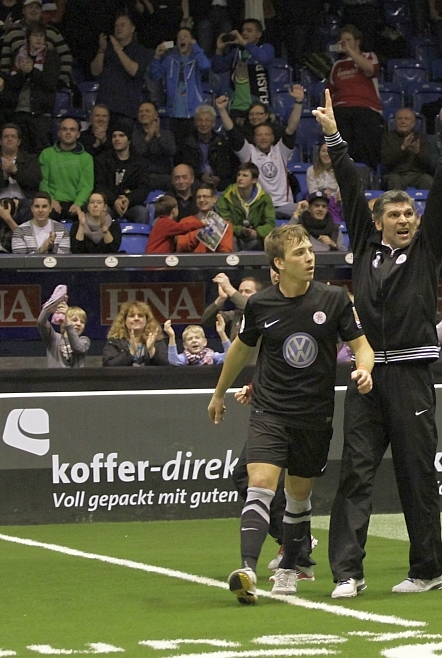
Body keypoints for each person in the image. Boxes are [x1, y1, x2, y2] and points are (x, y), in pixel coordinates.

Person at [317, 89, 442, 597]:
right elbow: (348, 184)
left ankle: (428, 570)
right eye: (396, 215)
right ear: (378, 220)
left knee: (415, 476)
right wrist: (333, 137)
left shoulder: (425, 249)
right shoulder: (365, 246)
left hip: (410, 376)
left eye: (410, 214)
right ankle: (348, 573)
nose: (405, 220)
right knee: (355, 474)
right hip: (366, 376)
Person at [208, 224, 375, 604]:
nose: (310, 257)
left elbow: (362, 346)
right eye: (300, 253)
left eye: (310, 251)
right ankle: (247, 570)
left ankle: (289, 568)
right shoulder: (260, 304)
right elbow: (240, 350)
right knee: (260, 482)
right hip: (270, 411)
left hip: (314, 415)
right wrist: (218, 393)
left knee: (298, 496)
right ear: (279, 264)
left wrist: (365, 368)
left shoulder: (334, 299)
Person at [217, 86, 303, 217]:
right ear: (254, 138)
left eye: (266, 134)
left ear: (273, 137)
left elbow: (292, 127)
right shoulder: (248, 152)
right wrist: (222, 110)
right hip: (259, 207)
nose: (263, 138)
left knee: (308, 212)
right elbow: (232, 131)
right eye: (259, 135)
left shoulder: (281, 150)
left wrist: (298, 102)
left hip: (285, 205)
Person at [328, 25, 384, 169]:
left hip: (365, 108)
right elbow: (330, 91)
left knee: (365, 150)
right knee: (342, 153)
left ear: (357, 42)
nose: (344, 43)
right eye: (342, 40)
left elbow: (370, 69)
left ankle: (366, 176)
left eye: (348, 40)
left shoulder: (369, 56)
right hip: (341, 109)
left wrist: (350, 51)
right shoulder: (337, 65)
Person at [2, 21, 59, 154]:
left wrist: (32, 71)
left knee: (40, 151)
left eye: (41, 35)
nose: (39, 39)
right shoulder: (19, 54)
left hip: (40, 112)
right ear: (28, 37)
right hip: (19, 111)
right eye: (35, 35)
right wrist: (23, 73)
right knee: (21, 151)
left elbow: (50, 84)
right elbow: (12, 84)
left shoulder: (51, 56)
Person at [148, 27, 212, 143]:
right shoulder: (170, 59)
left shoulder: (196, 58)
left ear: (191, 40)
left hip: (193, 113)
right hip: (174, 114)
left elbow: (206, 65)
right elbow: (154, 75)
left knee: (192, 146)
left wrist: (195, 47)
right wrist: (157, 56)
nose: (182, 39)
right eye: (179, 37)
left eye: (185, 36)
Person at [91, 14, 153, 121]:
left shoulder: (140, 50)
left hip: (125, 111)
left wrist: (119, 50)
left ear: (132, 29)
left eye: (122, 25)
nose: (118, 28)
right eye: (116, 26)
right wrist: (101, 51)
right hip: (104, 108)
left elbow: (134, 71)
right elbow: (95, 71)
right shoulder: (108, 49)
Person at [93, 118, 150, 224]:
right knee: (101, 213)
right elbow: (100, 186)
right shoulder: (102, 160)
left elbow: (143, 188)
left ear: (129, 140)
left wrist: (128, 199)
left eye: (121, 135)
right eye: (114, 136)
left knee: (142, 213)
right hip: (109, 203)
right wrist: (114, 200)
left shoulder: (140, 163)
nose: (117, 139)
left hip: (132, 204)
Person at [211, 18, 274, 113]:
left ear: (258, 34)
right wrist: (219, 49)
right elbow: (217, 68)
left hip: (258, 106)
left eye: (249, 31)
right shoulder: (237, 52)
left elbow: (264, 58)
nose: (244, 33)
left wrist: (243, 42)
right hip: (236, 107)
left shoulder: (266, 48)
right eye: (243, 31)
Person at [39, 117, 93, 219]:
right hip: (52, 203)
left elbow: (86, 186)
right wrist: (50, 200)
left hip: (76, 204)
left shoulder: (87, 158)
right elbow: (43, 182)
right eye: (64, 129)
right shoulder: (46, 154)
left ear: (78, 134)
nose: (68, 132)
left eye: (72, 129)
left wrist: (78, 204)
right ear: (59, 133)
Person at [216, 162, 276, 250]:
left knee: (266, 242)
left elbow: (271, 224)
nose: (240, 178)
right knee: (231, 241)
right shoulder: (226, 196)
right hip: (234, 236)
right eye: (239, 175)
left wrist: (257, 232)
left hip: (257, 238)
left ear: (254, 180)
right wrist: (241, 230)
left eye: (245, 175)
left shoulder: (264, 198)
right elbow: (223, 224)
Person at [177, 104, 237, 191]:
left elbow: (227, 166)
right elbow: (186, 166)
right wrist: (201, 176)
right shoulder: (187, 142)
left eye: (207, 120)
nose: (203, 124)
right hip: (196, 180)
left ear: (213, 123)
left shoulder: (222, 142)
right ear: (195, 123)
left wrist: (219, 178)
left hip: (218, 181)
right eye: (200, 120)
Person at [380, 107, 433, 191]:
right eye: (399, 119)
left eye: (406, 119)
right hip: (395, 174)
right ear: (395, 122)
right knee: (394, 180)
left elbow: (429, 164)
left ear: (413, 123)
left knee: (427, 180)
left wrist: (418, 152)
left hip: (417, 175)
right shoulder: (388, 137)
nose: (403, 121)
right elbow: (385, 162)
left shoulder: (421, 137)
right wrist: (403, 148)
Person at [102, 300, 169, 366]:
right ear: (124, 320)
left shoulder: (156, 341)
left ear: (146, 320)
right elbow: (108, 366)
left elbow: (168, 366)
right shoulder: (115, 342)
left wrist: (151, 350)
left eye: (140, 316)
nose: (136, 318)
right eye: (131, 316)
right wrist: (130, 353)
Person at [175, 184, 235, 253]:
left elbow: (226, 252)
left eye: (206, 197)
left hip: (214, 259)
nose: (201, 200)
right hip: (192, 259)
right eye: (198, 197)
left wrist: (214, 240)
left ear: (215, 199)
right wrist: (198, 237)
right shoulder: (185, 222)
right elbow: (180, 250)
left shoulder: (225, 225)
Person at [201, 273, 261, 340]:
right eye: (240, 292)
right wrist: (221, 298)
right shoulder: (236, 314)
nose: (242, 294)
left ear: (258, 295)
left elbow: (249, 307)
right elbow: (206, 320)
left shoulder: (263, 311)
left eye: (247, 291)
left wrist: (228, 287)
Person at [133, 101, 177, 190]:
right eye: (141, 111)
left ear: (156, 115)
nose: (143, 114)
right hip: (142, 176)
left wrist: (158, 135)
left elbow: (172, 151)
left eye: (147, 111)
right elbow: (136, 154)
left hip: (164, 175)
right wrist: (148, 137)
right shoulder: (134, 135)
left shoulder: (166, 134)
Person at [0, 123, 41, 201]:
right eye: (6, 136)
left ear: (19, 142)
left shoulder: (30, 159)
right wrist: (4, 175)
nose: (9, 139)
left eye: (13, 136)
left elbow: (35, 182)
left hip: (24, 202)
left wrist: (15, 172)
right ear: (0, 141)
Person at [37, 299, 88, 368]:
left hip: (76, 375)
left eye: (82, 322)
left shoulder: (85, 340)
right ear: (63, 321)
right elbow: (41, 323)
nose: (79, 324)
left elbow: (77, 348)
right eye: (74, 320)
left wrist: (68, 322)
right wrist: (50, 306)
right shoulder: (54, 338)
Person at [165, 317, 231, 366]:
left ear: (205, 342)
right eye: (190, 339)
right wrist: (171, 336)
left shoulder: (212, 356)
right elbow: (174, 360)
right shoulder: (184, 358)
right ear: (185, 345)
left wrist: (222, 333)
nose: (194, 340)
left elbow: (230, 356)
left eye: (197, 337)